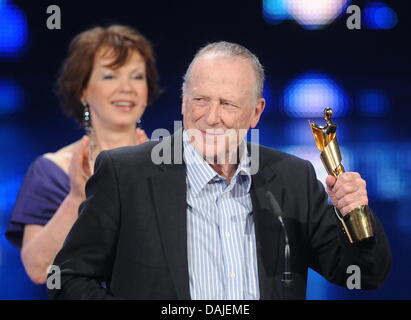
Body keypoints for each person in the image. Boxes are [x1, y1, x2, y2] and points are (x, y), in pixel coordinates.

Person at [48, 42, 391, 300]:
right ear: (183, 103)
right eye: (200, 100)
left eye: (227, 104)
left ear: (256, 113)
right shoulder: (125, 175)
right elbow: (67, 278)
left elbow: (361, 274)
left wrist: (356, 212)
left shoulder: (292, 177)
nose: (211, 117)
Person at [6, 25, 159, 285]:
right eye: (110, 76)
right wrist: (77, 197)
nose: (127, 88)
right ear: (83, 91)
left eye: (137, 76)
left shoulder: (172, 163)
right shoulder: (52, 171)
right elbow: (38, 270)